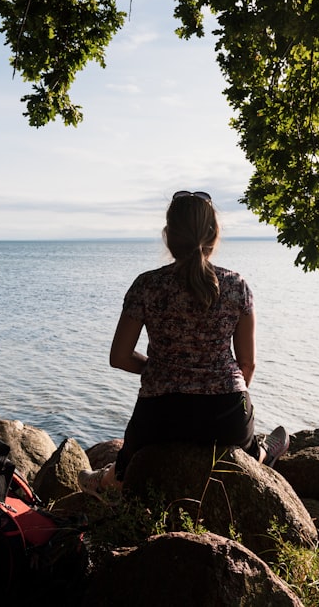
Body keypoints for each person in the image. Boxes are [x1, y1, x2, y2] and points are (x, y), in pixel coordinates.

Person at [79, 190, 289, 494]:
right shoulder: (236, 285)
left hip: (159, 416)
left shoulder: (146, 285)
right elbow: (247, 364)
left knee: (127, 467)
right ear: (214, 235)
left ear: (168, 236)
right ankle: (263, 452)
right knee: (246, 453)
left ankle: (105, 481)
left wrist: (162, 370)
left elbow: (120, 357)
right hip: (227, 414)